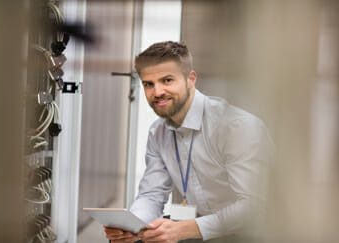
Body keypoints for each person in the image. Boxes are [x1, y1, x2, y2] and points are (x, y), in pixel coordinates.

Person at [104, 41, 273, 243]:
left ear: (190, 79)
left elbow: (252, 207)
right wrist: (133, 226)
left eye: (167, 80)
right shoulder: (158, 132)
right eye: (149, 84)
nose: (157, 92)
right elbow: (151, 195)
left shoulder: (236, 127)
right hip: (198, 223)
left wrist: (185, 230)